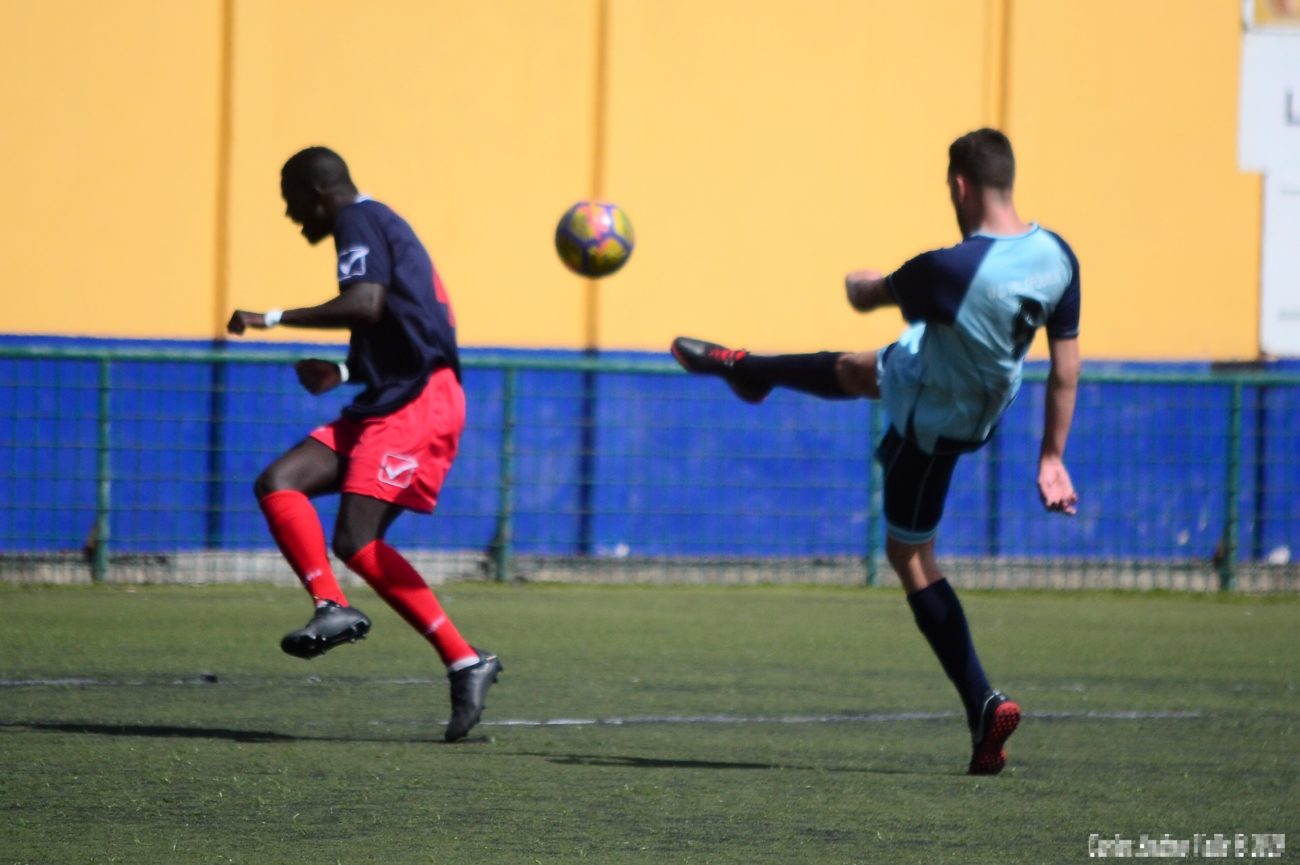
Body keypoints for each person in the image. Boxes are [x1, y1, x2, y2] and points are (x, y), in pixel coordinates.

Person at [672, 128, 1080, 775]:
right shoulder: (1056, 255)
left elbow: (865, 295)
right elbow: (1065, 369)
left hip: (935, 419)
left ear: (960, 187)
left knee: (909, 555)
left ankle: (983, 701)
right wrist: (1052, 456)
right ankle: (750, 369)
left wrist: (862, 279)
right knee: (864, 368)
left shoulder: (949, 271)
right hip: (975, 391)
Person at [226, 146, 501, 742]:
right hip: (392, 397)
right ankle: (338, 609)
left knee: (357, 538)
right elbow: (399, 327)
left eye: (292, 202)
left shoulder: (358, 219)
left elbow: (366, 303)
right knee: (279, 482)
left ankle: (462, 658)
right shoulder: (377, 225)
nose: (291, 215)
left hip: (417, 403)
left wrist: (270, 317)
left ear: (318, 193)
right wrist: (343, 373)